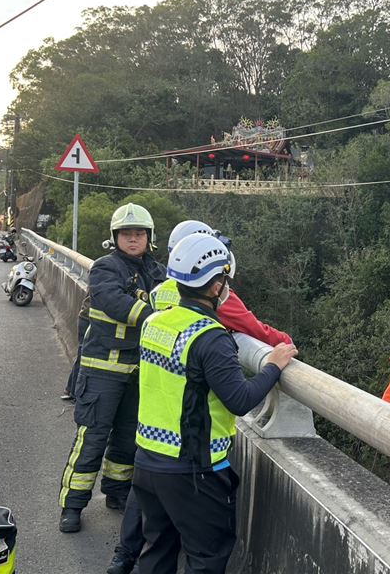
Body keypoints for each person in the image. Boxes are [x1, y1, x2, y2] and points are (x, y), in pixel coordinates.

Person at [107, 219, 292, 574]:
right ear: (217, 285)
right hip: (194, 469)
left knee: (157, 552)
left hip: (148, 460)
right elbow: (240, 399)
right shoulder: (210, 337)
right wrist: (274, 365)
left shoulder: (155, 323)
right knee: (206, 559)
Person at [58, 203, 166, 533]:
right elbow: (116, 304)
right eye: (126, 234)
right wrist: (159, 317)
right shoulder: (106, 268)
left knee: (127, 439)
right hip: (103, 369)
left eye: (139, 234)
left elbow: (175, 299)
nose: (133, 239)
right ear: (115, 237)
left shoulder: (158, 272)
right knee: (92, 438)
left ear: (149, 237)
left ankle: (116, 493)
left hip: (139, 370)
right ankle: (72, 505)